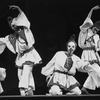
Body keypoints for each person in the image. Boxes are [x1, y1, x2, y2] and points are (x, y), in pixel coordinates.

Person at [0, 5, 42, 96]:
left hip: (30, 53)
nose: (13, 26)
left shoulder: (25, 30)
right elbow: (2, 40)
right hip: (21, 56)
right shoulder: (11, 37)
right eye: (11, 25)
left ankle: (24, 87)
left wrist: (19, 9)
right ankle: (28, 89)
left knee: (27, 70)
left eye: (14, 24)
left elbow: (24, 19)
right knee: (21, 73)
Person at [78, 5, 100, 94]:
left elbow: (97, 49)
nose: (96, 31)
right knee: (95, 71)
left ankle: (84, 88)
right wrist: (91, 10)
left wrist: (98, 58)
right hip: (86, 54)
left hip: (93, 55)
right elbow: (87, 20)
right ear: (92, 26)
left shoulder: (97, 36)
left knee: (94, 72)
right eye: (95, 28)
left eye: (98, 30)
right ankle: (85, 88)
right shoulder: (85, 31)